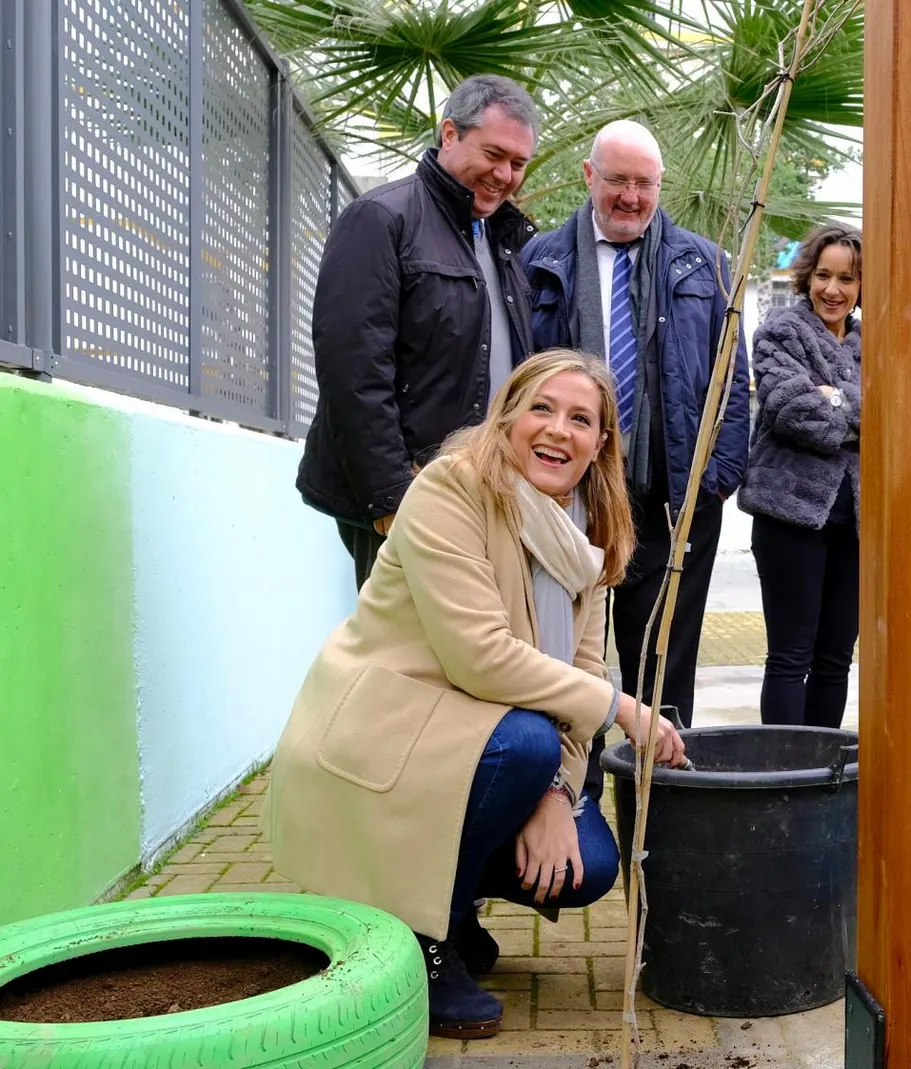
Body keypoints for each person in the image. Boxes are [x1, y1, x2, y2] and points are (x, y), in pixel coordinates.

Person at [268, 352, 688, 1039]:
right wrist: (623, 707)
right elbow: (481, 656)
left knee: (591, 865)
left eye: (581, 418)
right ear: (508, 417)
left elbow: (578, 673)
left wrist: (555, 795)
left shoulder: (584, 533)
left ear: (601, 443)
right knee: (524, 742)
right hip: (386, 732)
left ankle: (452, 905)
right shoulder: (451, 490)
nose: (559, 429)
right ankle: (419, 942)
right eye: (542, 408)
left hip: (468, 737)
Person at [522, 120, 749, 728]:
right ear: (588, 176)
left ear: (659, 185)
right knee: (566, 658)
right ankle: (574, 792)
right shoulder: (538, 261)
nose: (630, 197)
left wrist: (715, 482)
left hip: (670, 500)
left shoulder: (706, 265)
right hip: (567, 498)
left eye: (643, 184)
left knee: (665, 665)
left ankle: (662, 798)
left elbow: (732, 380)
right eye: (617, 180)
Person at [298, 75, 540, 588]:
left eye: (518, 164)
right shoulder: (380, 219)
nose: (504, 175)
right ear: (449, 134)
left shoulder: (501, 238)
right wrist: (390, 498)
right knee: (402, 660)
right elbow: (353, 372)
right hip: (406, 493)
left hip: (481, 491)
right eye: (494, 154)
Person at [737, 224, 864, 728]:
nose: (833, 289)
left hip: (856, 521)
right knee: (791, 655)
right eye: (823, 275)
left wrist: (832, 396)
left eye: (848, 279)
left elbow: (896, 413)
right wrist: (850, 408)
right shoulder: (779, 331)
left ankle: (821, 775)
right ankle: (784, 772)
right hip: (789, 516)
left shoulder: (873, 341)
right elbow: (792, 410)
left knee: (835, 659)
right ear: (807, 276)